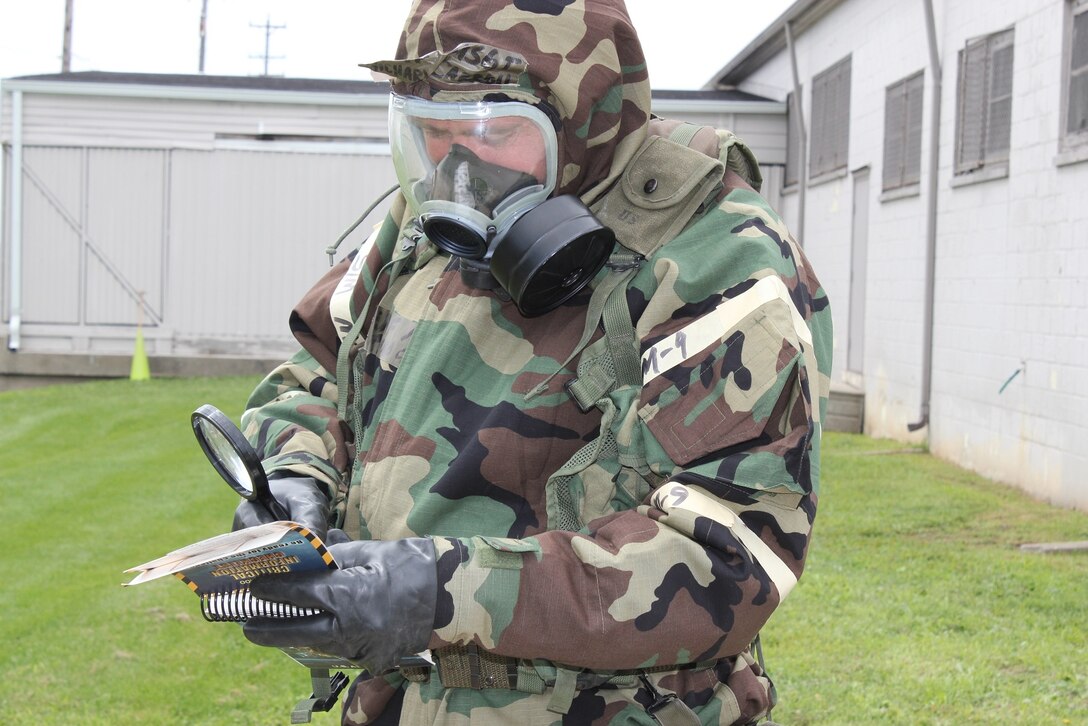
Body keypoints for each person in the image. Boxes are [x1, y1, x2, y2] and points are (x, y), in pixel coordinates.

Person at [230, 1, 833, 724]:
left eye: (494, 133)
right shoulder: (423, 228)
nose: (460, 167)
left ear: (584, 122)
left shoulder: (714, 255)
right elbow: (318, 375)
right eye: (433, 133)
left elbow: (724, 564)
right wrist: (298, 472)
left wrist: (432, 590)